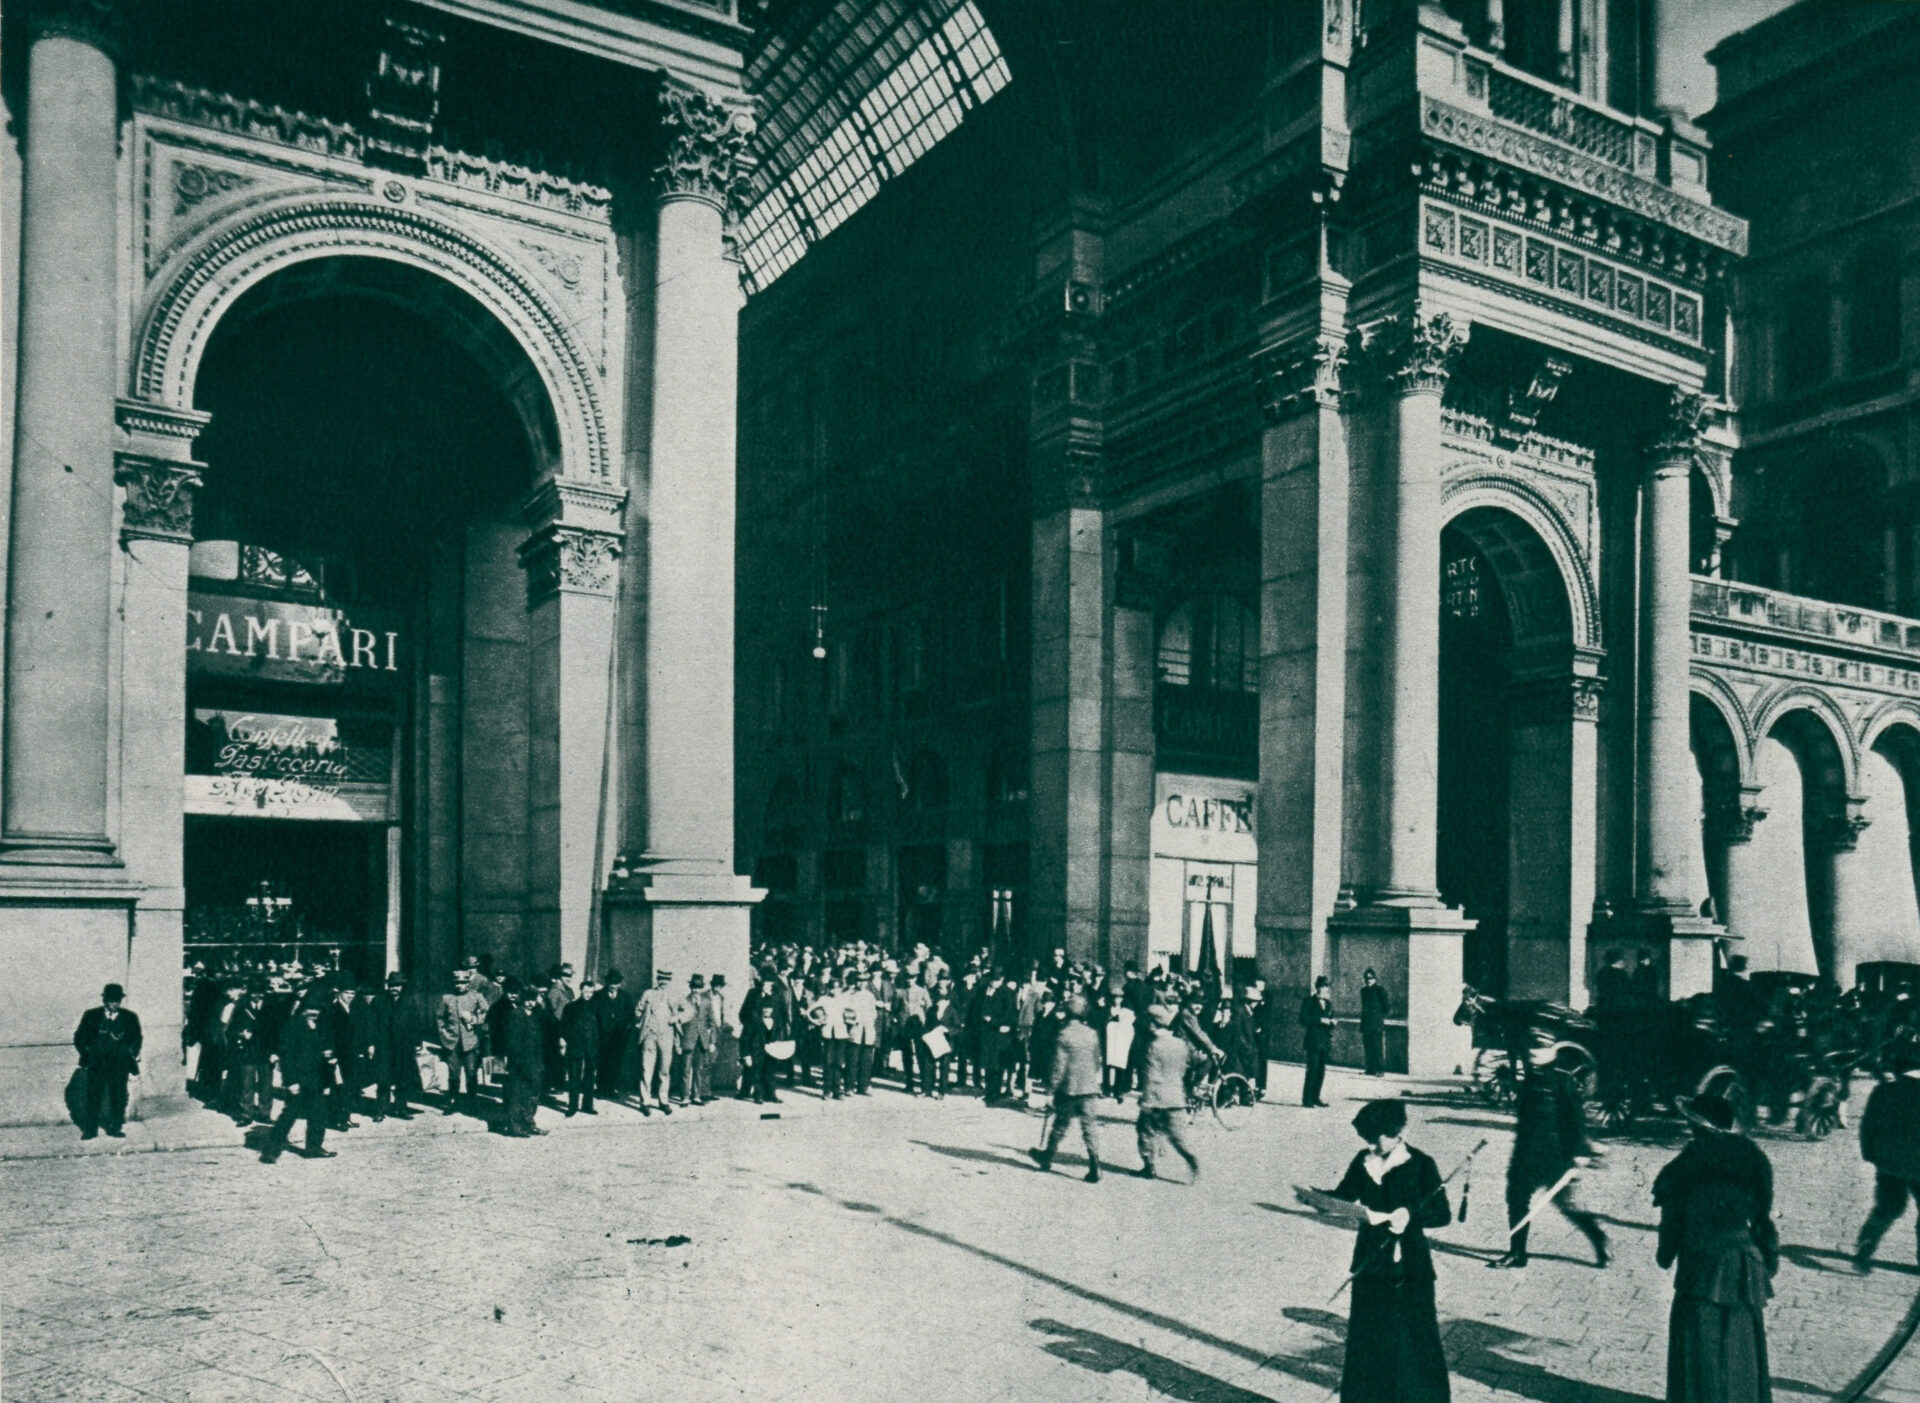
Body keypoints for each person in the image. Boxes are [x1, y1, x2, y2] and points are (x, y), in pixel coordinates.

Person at [1323, 1098, 1452, 1402]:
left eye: (1378, 1137)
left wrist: (1411, 1215)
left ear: (1395, 1132)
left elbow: (1442, 1214)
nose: (1373, 1144)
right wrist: (1320, 1200)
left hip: (1410, 1265)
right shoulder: (1362, 1161)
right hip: (1371, 1261)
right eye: (1368, 1138)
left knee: (1412, 1337)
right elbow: (1344, 1195)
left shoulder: (1421, 1163)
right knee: (1368, 1335)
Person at [1655, 1094, 1777, 1403]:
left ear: (1698, 1126)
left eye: (1689, 1121)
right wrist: (1768, 1259)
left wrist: (1665, 1253)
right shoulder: (1752, 1154)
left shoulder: (1688, 1161)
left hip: (1701, 1264)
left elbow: (1672, 1217)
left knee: (1700, 1341)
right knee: (1741, 1341)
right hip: (1745, 1264)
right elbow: (1762, 1216)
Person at [1489, 1032, 1608, 1269]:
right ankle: (1517, 1253)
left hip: (1556, 1156)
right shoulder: (1530, 1080)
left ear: (1550, 1052)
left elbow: (1576, 1120)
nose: (1532, 1055)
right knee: (1516, 1199)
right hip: (1525, 1154)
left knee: (1568, 1206)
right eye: (1530, 1050)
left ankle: (1598, 1238)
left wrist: (1580, 1153)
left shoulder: (1563, 1081)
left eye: (1538, 1050)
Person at [1853, 1043, 1920, 1271]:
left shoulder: (1884, 1091)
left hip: (1889, 1163)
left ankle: (1867, 1242)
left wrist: (1870, 1154)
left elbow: (1868, 1126)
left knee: (1888, 1207)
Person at [1029, 992, 1103, 1183]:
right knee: (1090, 1128)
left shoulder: (1063, 1034)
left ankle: (1047, 1157)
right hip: (1089, 1087)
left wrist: (1050, 1089)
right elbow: (1097, 1061)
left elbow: (1058, 1067)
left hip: (1069, 1089)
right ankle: (1095, 1164)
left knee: (1060, 1125)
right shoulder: (1092, 1033)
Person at [262, 1003, 335, 1162]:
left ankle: (314, 1147)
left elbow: (326, 1047)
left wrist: (329, 1054)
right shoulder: (292, 1027)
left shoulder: (321, 1027)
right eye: (311, 1010)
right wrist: (291, 1081)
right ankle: (271, 1150)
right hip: (299, 1079)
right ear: (303, 1010)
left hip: (316, 1079)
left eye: (317, 1010)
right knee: (289, 1114)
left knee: (318, 1115)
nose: (314, 1013)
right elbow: (286, 1056)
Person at [1136, 1002, 1199, 1182]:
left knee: (1145, 1131)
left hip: (1156, 1098)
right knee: (1178, 1137)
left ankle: (1149, 1167)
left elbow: (1151, 1075)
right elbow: (1189, 1065)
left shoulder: (1153, 1046)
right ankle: (1190, 1158)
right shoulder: (1180, 1044)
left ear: (1151, 1024)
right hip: (1176, 1098)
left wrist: (1145, 1101)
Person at [73, 983, 143, 1140]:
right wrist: (88, 1052)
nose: (114, 1004)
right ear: (105, 1000)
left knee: (119, 1096)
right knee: (93, 1096)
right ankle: (90, 1129)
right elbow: (79, 1037)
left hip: (119, 1065)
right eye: (111, 1001)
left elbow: (137, 1038)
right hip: (97, 1064)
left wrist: (131, 1053)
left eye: (117, 1001)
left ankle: (114, 1127)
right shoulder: (91, 1015)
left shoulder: (130, 1017)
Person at [436, 967, 488, 1116]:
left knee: (471, 1072)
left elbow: (487, 1013)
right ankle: (452, 1101)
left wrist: (474, 1019)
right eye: (456, 982)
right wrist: (444, 1035)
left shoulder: (476, 996)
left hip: (471, 1042)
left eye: (463, 982)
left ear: (468, 983)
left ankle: (472, 1101)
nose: (459, 985)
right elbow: (440, 1018)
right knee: (453, 1073)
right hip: (452, 1043)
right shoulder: (447, 998)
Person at [500, 979, 547, 1137]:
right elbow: (513, 1042)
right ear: (522, 1000)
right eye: (528, 1000)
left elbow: (549, 1025)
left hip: (535, 1061)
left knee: (533, 1094)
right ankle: (516, 1127)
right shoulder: (515, 1014)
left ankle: (529, 1123)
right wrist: (518, 1062)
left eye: (533, 1000)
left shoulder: (537, 1015)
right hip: (520, 1062)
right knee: (517, 1095)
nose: (530, 1003)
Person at [369, 973, 419, 1120]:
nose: (394, 988)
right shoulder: (378, 1001)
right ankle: (380, 1110)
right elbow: (371, 1024)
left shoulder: (409, 1001)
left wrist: (417, 1043)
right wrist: (371, 1043)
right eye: (391, 985)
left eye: (397, 985)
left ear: (402, 986)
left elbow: (415, 1024)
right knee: (383, 1079)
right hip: (384, 1046)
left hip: (404, 1047)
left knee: (402, 1079)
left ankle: (401, 1108)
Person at [635, 970, 684, 1115]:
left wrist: (677, 1018)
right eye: (661, 979)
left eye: (666, 979)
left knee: (664, 1071)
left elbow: (689, 1011)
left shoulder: (675, 995)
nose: (664, 982)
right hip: (649, 1035)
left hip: (667, 1036)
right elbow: (637, 1010)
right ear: (657, 980)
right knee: (646, 1070)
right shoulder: (648, 994)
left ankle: (664, 1101)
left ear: (670, 981)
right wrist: (641, 1020)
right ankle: (645, 1102)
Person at [561, 975, 602, 1116]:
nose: (589, 995)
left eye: (591, 992)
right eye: (586, 992)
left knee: (590, 1077)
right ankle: (572, 1106)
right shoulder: (571, 1007)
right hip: (576, 1046)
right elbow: (564, 1027)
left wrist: (597, 1043)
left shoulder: (597, 1007)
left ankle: (587, 1105)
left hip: (592, 1047)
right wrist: (568, 1041)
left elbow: (601, 1027)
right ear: (581, 991)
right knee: (574, 1077)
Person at [595, 970, 636, 1103]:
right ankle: (601, 1089)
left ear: (620, 983)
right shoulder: (598, 996)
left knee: (615, 1063)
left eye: (616, 983)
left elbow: (631, 1016)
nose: (613, 986)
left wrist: (626, 1030)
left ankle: (612, 1088)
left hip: (619, 1037)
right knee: (602, 1062)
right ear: (607, 983)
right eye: (611, 983)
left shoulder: (626, 997)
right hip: (602, 1036)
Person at [682, 974, 717, 1106]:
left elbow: (711, 1021)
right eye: (693, 987)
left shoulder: (707, 1001)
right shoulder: (684, 1001)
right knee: (685, 1069)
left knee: (699, 1069)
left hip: (702, 1040)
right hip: (688, 1039)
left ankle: (696, 1096)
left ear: (701, 988)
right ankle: (685, 1097)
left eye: (698, 987)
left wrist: (712, 1041)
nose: (695, 990)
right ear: (690, 987)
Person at [1301, 976, 1335, 1108]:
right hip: (1313, 1041)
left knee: (1321, 1071)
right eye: (1322, 987)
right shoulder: (1309, 1001)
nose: (1324, 990)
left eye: (1326, 987)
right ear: (1317, 988)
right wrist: (1319, 1020)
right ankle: (1307, 1099)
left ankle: (1316, 1097)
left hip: (1324, 1042)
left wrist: (1332, 1022)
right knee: (1312, 1070)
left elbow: (1330, 1018)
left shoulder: (1328, 1003)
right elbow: (1303, 1019)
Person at [1360, 970, 1389, 1077]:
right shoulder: (1363, 991)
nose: (1368, 980)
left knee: (1377, 1047)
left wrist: (1377, 1016)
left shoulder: (1380, 990)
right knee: (1368, 1047)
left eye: (1370, 978)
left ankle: (1380, 1070)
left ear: (1375, 979)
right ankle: (1370, 1069)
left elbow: (1386, 1007)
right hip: (1366, 1023)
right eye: (1366, 978)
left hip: (1376, 1024)